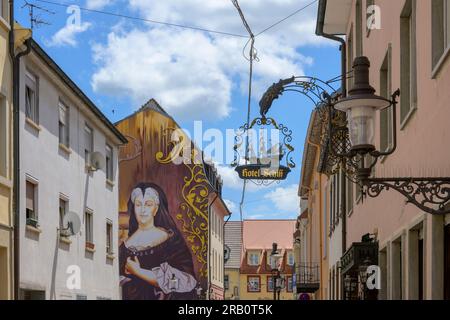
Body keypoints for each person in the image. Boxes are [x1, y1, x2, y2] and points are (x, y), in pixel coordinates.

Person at [119, 183, 198, 300]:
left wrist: (138, 272)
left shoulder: (170, 240)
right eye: (138, 204)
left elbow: (184, 281)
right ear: (133, 208)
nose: (143, 210)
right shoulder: (126, 245)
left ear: (156, 209)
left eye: (148, 205)